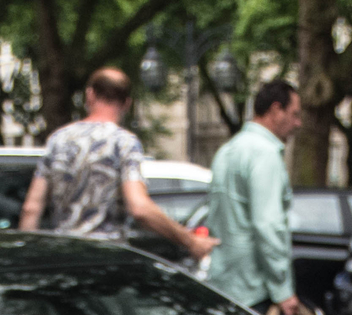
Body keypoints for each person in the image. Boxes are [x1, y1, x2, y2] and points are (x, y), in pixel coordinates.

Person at [19, 67, 213, 262]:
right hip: (106, 260)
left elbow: (31, 208)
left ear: (90, 95)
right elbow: (140, 208)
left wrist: (26, 259)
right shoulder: (124, 143)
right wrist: (190, 241)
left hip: (64, 259)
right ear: (127, 103)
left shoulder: (58, 140)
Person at [205, 79, 304, 315]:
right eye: (294, 114)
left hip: (224, 285)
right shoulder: (265, 155)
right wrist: (283, 291)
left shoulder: (227, 151)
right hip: (255, 292)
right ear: (275, 110)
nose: (297, 123)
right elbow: (268, 224)